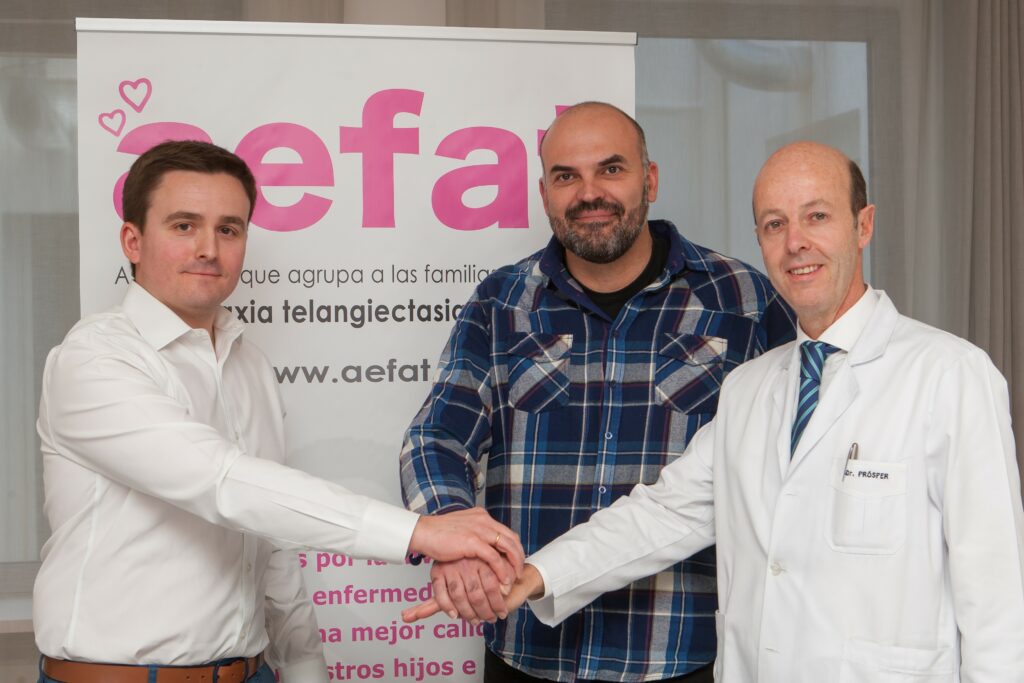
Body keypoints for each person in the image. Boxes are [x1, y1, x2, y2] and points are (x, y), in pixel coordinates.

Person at [405, 140, 1024, 682]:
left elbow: (996, 597)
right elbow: (662, 514)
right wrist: (532, 576)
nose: (796, 243)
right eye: (775, 224)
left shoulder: (950, 375)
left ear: (863, 225)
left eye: (817, 216)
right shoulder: (751, 386)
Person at [34, 140, 524, 683]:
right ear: (133, 240)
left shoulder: (250, 366)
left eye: (228, 229)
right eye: (183, 226)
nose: (208, 249)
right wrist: (420, 532)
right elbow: (223, 483)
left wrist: (305, 668)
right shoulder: (94, 358)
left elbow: (270, 545)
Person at [399, 102, 795, 682]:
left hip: (679, 653)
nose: (590, 193)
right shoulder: (502, 302)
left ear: (650, 180)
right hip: (528, 650)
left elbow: (792, 464)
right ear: (544, 194)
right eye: (566, 176)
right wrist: (452, 530)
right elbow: (437, 436)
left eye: (611, 169)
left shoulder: (744, 300)